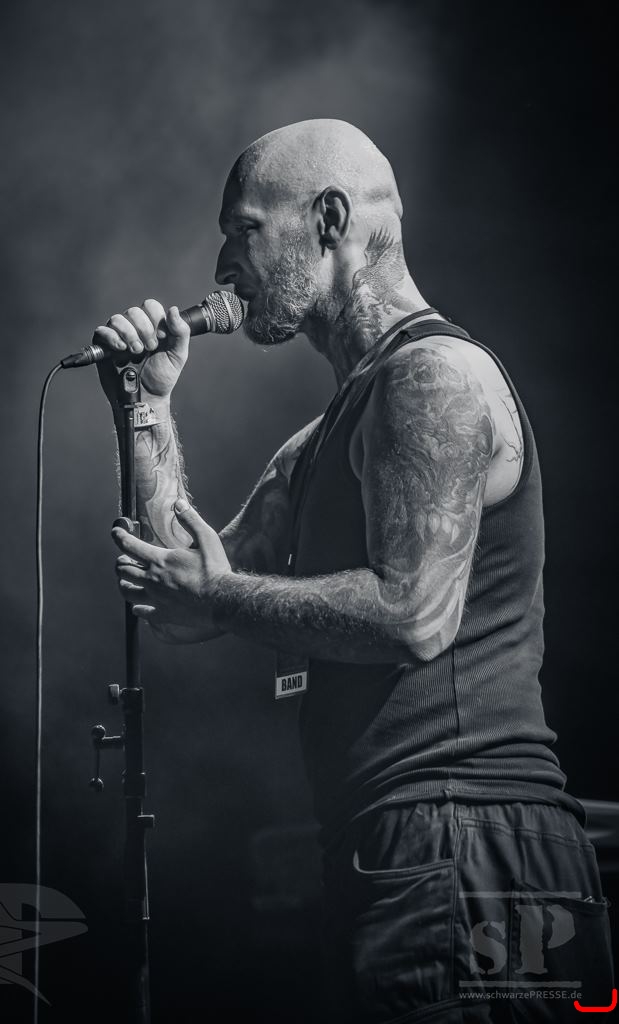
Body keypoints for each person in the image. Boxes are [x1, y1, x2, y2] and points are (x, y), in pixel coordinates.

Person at [95, 120, 613, 1021]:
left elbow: (413, 613)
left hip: (462, 829)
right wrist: (145, 407)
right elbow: (180, 597)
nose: (221, 263)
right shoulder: (322, 438)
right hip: (409, 840)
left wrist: (218, 595)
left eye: (244, 229)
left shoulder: (431, 379)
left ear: (329, 219)